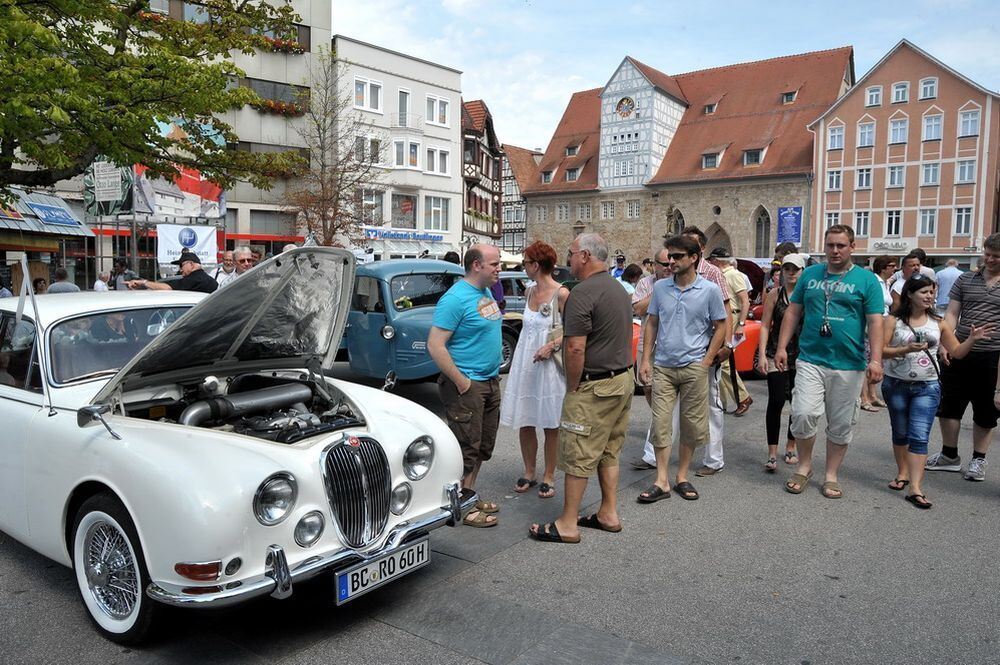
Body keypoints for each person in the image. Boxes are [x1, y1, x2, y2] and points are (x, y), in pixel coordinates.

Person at [529, 233, 632, 543]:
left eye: (571, 253)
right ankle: (608, 512)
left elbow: (575, 348)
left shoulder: (582, 292)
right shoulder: (616, 287)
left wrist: (573, 388)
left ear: (585, 256)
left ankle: (567, 524)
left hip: (595, 385)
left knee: (578, 452)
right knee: (609, 451)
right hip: (621, 379)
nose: (568, 259)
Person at [775, 224, 885, 499]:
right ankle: (804, 466)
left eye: (841, 245)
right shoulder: (810, 275)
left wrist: (876, 360)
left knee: (841, 423)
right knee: (803, 414)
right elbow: (793, 312)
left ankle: (831, 475)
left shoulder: (866, 280)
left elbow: (875, 322)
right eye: (830, 245)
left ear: (852, 247)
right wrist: (781, 347)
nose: (835, 251)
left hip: (848, 364)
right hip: (811, 359)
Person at [882, 274, 994, 508]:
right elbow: (880, 350)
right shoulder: (893, 320)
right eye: (924, 292)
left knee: (919, 436)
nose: (930, 296)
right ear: (910, 294)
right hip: (896, 384)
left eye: (932, 292)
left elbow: (957, 352)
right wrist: (904, 349)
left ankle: (915, 488)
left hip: (927, 386)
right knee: (900, 432)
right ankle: (902, 473)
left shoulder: (939, 322)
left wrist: (972, 339)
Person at [637, 235, 727, 502]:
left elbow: (721, 325)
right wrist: (646, 359)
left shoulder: (709, 290)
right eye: (670, 257)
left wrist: (707, 360)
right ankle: (661, 480)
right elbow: (652, 322)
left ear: (694, 258)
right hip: (664, 366)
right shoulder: (661, 288)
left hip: (694, 366)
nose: (671, 262)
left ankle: (682, 477)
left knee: (691, 425)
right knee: (661, 423)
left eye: (677, 256)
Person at [428, 244, 504, 528]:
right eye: (494, 264)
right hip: (468, 385)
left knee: (481, 446)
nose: (499, 269)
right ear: (476, 265)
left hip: (489, 381)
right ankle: (459, 505)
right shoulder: (455, 299)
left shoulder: (485, 292)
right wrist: (462, 382)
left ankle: (468, 496)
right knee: (465, 449)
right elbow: (435, 345)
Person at [926, 234, 1000, 481]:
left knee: (986, 410)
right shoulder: (965, 279)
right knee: (950, 405)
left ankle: (978, 459)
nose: (990, 259)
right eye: (987, 254)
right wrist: (945, 343)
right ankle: (949, 456)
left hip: (993, 355)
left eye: (996, 256)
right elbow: (951, 314)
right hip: (960, 349)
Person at [500, 241, 569, 500]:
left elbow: (575, 330)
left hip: (550, 367)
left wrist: (551, 346)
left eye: (526, 262)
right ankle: (529, 471)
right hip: (525, 363)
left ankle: (549, 475)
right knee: (526, 419)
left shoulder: (561, 294)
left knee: (551, 423)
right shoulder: (529, 291)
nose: (524, 266)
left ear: (536, 265)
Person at [680, 227, 732, 476]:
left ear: (701, 249)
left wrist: (726, 345)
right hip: (679, 350)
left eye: (690, 245)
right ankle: (653, 455)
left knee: (711, 404)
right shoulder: (676, 271)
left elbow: (726, 310)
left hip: (706, 348)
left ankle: (713, 459)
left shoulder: (712, 273)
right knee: (669, 404)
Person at [756, 253, 805, 471]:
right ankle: (772, 453)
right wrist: (761, 355)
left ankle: (791, 445)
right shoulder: (775, 294)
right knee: (776, 401)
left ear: (802, 271)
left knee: (797, 403)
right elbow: (765, 325)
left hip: (802, 356)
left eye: (795, 269)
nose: (791, 273)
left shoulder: (807, 295)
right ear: (782, 271)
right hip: (775, 353)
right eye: (787, 269)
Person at [708, 248, 752, 416]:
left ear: (717, 261)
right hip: (724, 316)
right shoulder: (722, 275)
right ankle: (722, 401)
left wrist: (741, 324)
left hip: (731, 316)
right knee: (720, 361)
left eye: (711, 260)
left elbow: (745, 301)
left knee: (725, 361)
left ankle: (743, 397)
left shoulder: (733, 275)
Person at [126, 251, 218, 294]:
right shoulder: (212, 281)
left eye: (181, 265)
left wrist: (143, 283)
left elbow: (167, 288)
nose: (180, 270)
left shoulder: (192, 280)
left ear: (191, 264)